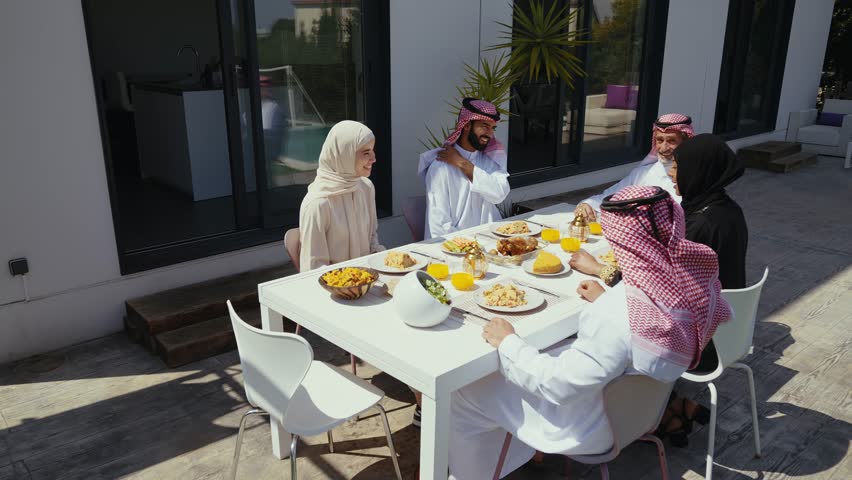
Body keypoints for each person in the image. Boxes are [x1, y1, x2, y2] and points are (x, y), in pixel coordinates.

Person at [446, 186, 731, 479]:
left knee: (465, 391)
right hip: (640, 412)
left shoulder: (619, 312)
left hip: (594, 425)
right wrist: (606, 298)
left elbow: (558, 385)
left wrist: (508, 342)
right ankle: (517, 454)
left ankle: (481, 470)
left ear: (625, 240)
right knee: (544, 351)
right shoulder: (691, 285)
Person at [573, 113, 695, 221]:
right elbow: (610, 197)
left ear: (686, 142)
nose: (664, 148)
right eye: (659, 140)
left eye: (672, 141)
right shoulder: (643, 173)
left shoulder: (695, 178)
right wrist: (587, 204)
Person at [418, 98, 511, 239]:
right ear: (466, 125)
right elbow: (439, 226)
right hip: (456, 247)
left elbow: (499, 194)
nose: (490, 133)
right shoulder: (440, 167)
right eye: (485, 126)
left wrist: (463, 164)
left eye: (492, 128)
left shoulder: (490, 160)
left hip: (492, 239)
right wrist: (467, 248)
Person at [298, 120, 384, 271]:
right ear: (344, 154)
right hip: (334, 290)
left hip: (369, 279)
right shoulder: (318, 204)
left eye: (372, 151)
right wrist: (348, 286)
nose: (373, 159)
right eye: (366, 153)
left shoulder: (365, 188)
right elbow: (313, 267)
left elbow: (372, 238)